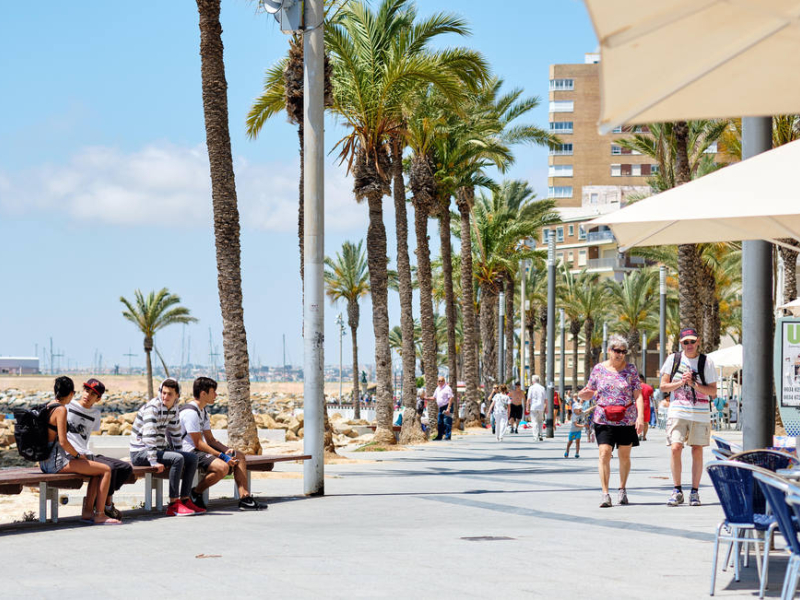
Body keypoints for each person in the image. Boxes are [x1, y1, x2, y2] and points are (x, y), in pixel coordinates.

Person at [40, 376, 121, 525]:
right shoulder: (61, 410)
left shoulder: (48, 406)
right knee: (106, 470)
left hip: (45, 461)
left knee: (96, 471)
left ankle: (87, 513)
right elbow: (64, 442)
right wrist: (78, 456)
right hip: (56, 463)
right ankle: (100, 514)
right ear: (71, 393)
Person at [180, 377, 266, 511]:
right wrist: (222, 457)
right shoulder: (190, 413)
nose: (216, 395)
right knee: (222, 468)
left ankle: (245, 498)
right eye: (213, 392)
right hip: (188, 452)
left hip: (199, 449)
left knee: (239, 456)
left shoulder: (203, 412)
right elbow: (198, 443)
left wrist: (227, 451)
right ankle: (196, 492)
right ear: (203, 394)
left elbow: (210, 440)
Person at [578, 334, 644, 508]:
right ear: (609, 351)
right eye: (617, 351)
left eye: (623, 351)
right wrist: (583, 395)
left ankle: (622, 489)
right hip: (603, 418)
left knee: (624, 456)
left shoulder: (631, 370)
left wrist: (641, 417)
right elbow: (589, 390)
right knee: (604, 453)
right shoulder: (599, 369)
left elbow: (638, 395)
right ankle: (605, 493)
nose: (620, 354)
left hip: (626, 419)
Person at [659, 327, 717, 507]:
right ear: (681, 343)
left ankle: (694, 491)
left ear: (698, 341)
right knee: (675, 447)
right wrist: (681, 383)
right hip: (678, 411)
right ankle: (677, 490)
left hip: (700, 414)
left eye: (692, 341)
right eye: (686, 342)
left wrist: (694, 384)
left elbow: (713, 392)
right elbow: (663, 387)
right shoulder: (673, 359)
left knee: (697, 449)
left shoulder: (706, 362)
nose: (689, 345)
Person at [130, 378, 205, 516]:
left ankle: (185, 499)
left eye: (169, 394)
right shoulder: (153, 408)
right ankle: (173, 504)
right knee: (177, 459)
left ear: (177, 395)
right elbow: (148, 436)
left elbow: (176, 435)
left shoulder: (174, 409)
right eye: (163, 393)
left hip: (157, 451)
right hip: (140, 452)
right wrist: (153, 461)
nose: (165, 396)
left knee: (192, 458)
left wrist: (182, 455)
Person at [66, 378, 133, 521]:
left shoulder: (95, 414)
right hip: (73, 456)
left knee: (125, 467)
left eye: (93, 394)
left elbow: (87, 435)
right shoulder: (68, 406)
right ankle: (103, 508)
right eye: (86, 390)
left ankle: (105, 503)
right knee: (107, 468)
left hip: (86, 453)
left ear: (98, 398)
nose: (87, 395)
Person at [426, 376, 454, 441]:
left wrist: (448, 408)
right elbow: (434, 397)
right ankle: (439, 436)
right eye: (439, 381)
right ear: (437, 382)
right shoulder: (437, 389)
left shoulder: (447, 388)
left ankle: (448, 436)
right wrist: (426, 398)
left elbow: (451, 398)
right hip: (441, 408)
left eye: (442, 381)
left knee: (447, 421)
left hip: (447, 406)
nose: (440, 382)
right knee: (439, 422)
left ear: (444, 381)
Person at [526, 375, 546, 442]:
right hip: (541, 406)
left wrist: (527, 407)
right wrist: (547, 408)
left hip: (533, 406)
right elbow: (545, 399)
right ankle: (540, 434)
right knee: (540, 421)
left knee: (534, 422)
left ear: (533, 380)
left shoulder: (531, 388)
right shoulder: (542, 388)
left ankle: (535, 436)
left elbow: (529, 399)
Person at [638, 374, 654, 441]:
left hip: (638, 404)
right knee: (646, 421)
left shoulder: (637, 386)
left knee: (638, 419)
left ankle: (639, 434)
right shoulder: (649, 387)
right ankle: (644, 436)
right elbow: (652, 397)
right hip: (646, 405)